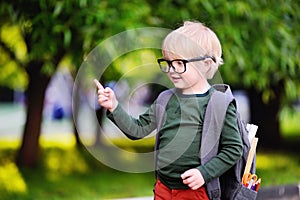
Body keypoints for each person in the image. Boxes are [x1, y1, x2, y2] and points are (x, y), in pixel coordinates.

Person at [94, 21, 243, 200]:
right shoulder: (165, 99)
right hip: (163, 188)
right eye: (168, 63)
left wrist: (204, 173)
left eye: (180, 63)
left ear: (205, 64)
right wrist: (114, 107)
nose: (172, 70)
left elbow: (234, 148)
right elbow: (138, 129)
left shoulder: (219, 102)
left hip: (195, 191)